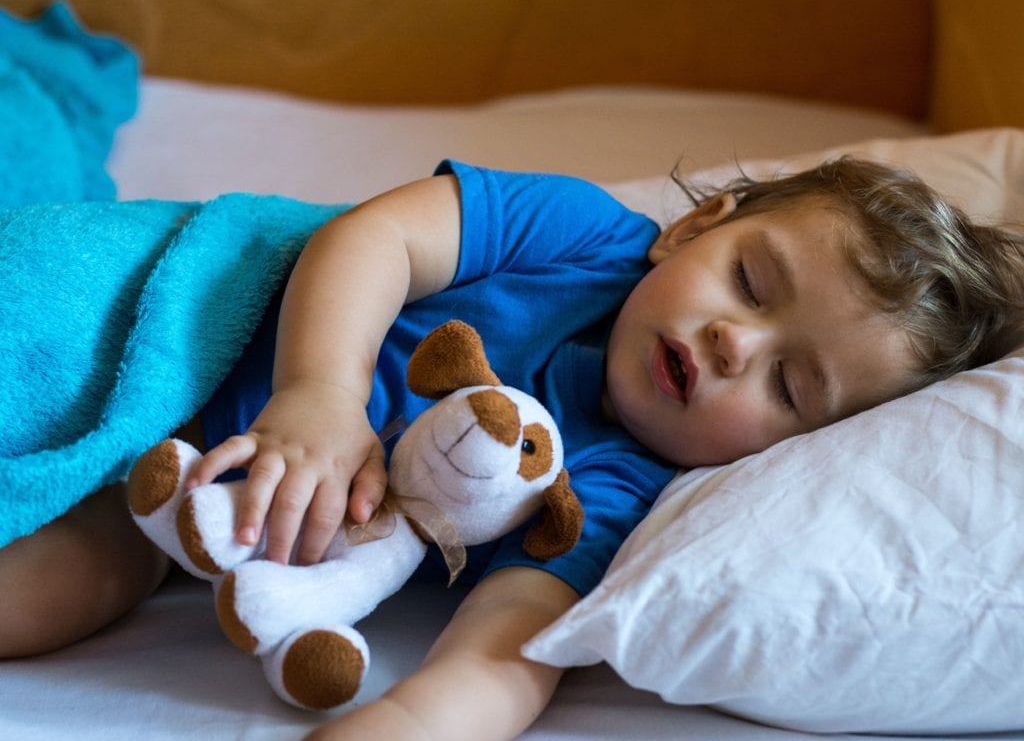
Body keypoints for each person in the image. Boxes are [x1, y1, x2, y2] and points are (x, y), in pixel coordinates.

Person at [3, 157, 1023, 741]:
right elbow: (370, 238)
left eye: (789, 386)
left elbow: (509, 646)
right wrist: (320, 390)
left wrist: (408, 727)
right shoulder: (582, 233)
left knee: (57, 588)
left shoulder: (618, 489)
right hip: (186, 355)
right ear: (697, 225)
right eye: (752, 285)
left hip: (177, 511)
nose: (732, 343)